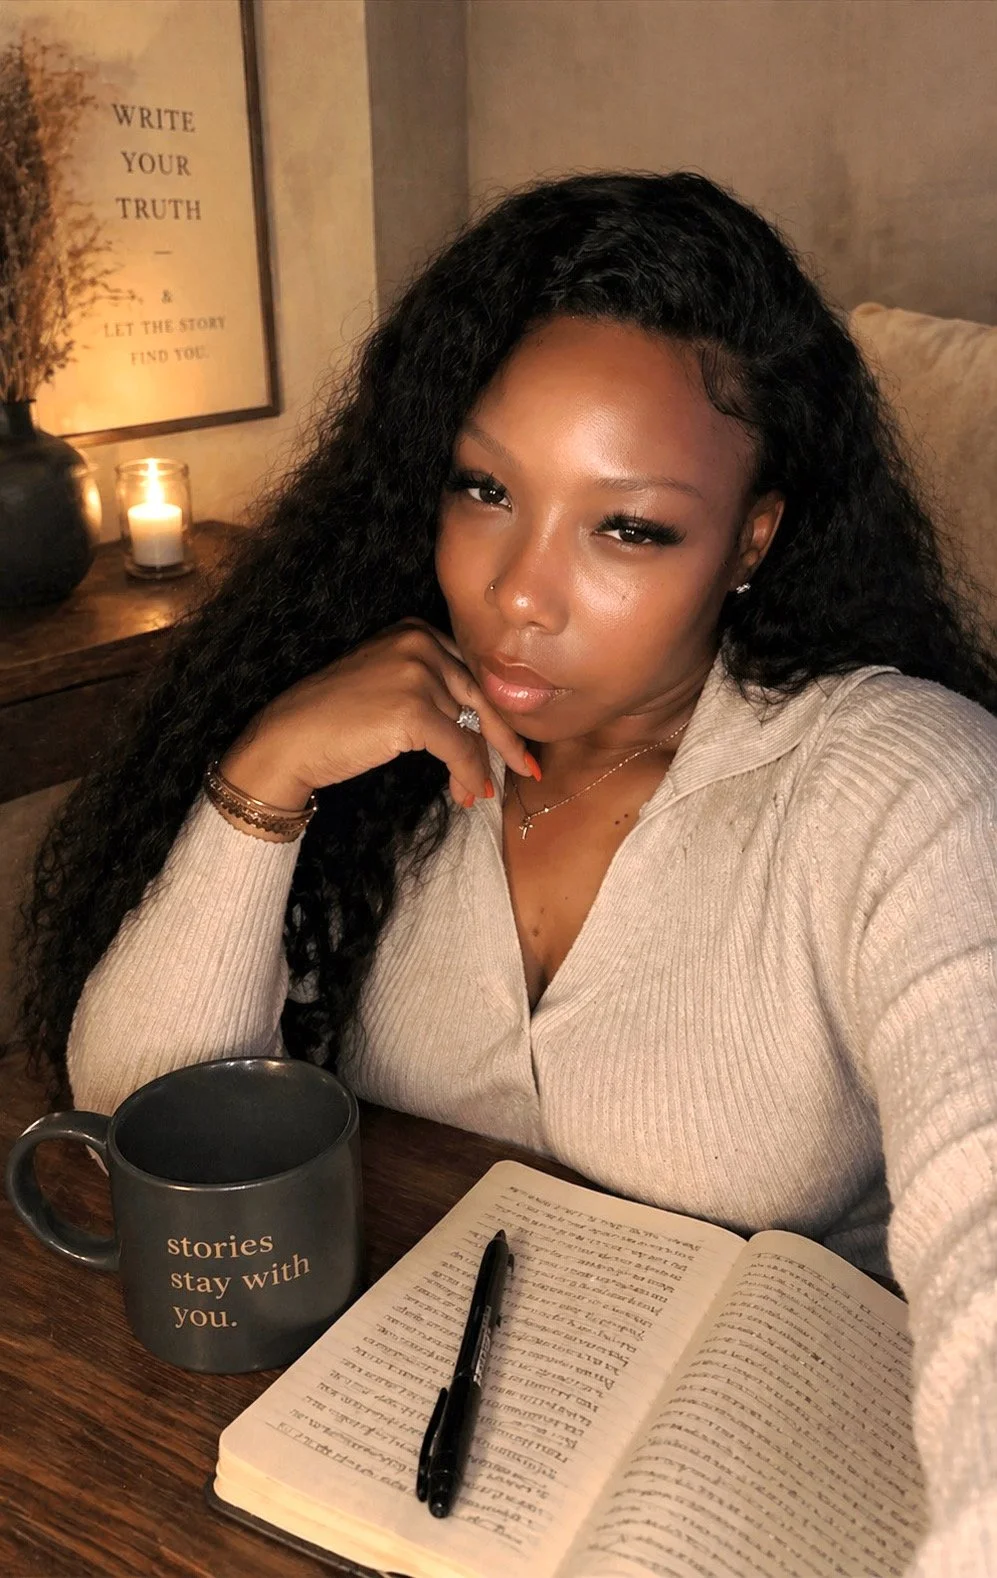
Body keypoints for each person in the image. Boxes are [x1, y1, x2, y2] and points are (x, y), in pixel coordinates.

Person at [18, 173, 997, 1574]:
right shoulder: (391, 748)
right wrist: (268, 773)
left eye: (629, 527)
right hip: (371, 1474)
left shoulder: (905, 783)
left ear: (754, 538)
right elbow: (137, 1105)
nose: (519, 593)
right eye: (486, 488)